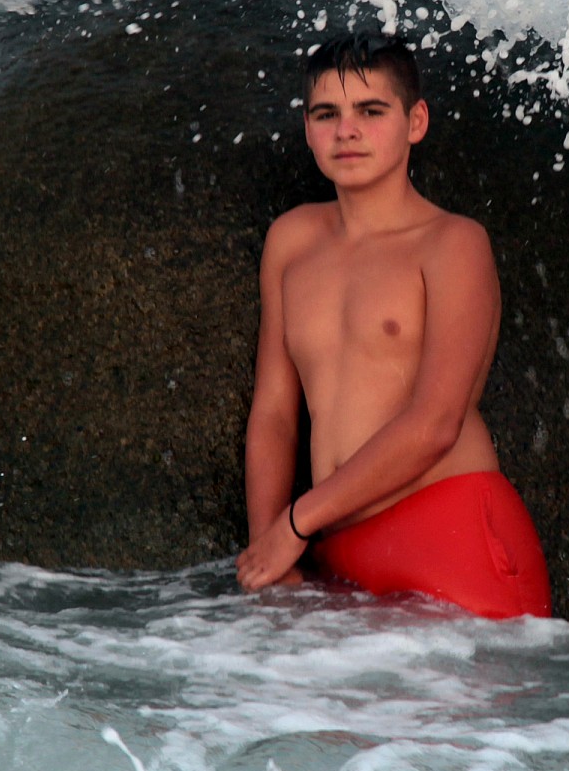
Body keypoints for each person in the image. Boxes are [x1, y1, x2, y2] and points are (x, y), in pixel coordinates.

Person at [234, 32, 552, 619]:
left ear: (415, 121)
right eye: (326, 114)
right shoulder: (292, 240)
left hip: (448, 536)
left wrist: (296, 523)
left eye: (370, 111)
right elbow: (275, 413)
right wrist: (270, 550)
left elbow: (436, 423)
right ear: (307, 129)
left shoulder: (453, 244)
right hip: (338, 551)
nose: (346, 131)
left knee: (463, 714)